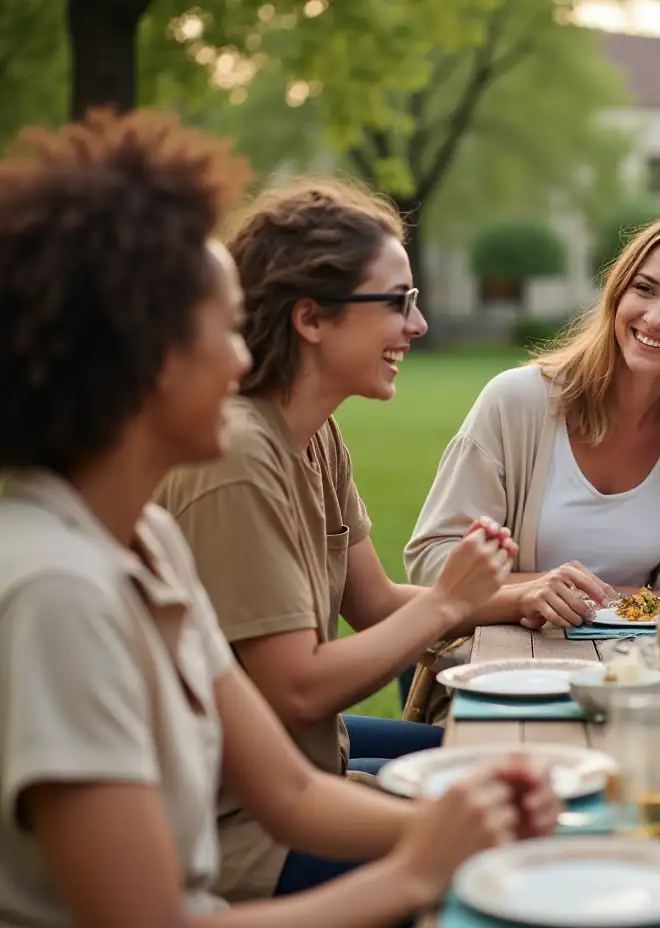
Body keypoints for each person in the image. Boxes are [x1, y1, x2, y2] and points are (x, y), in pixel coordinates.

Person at [0, 107, 558, 928]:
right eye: (223, 330)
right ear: (142, 356)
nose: (241, 357)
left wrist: (464, 832)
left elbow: (292, 790)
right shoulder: (58, 594)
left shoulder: (144, 542)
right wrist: (416, 873)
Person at [154, 177, 550, 902]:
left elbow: (370, 602)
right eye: (398, 302)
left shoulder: (316, 435)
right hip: (239, 834)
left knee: (524, 763)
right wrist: (448, 605)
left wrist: (520, 598)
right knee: (516, 852)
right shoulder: (239, 457)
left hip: (305, 772)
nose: (419, 325)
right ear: (312, 318)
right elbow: (297, 692)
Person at [403, 214, 660, 716]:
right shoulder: (516, 402)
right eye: (644, 289)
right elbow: (431, 563)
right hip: (500, 685)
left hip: (634, 688)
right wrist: (529, 591)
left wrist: (617, 601)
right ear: (617, 294)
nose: (656, 318)